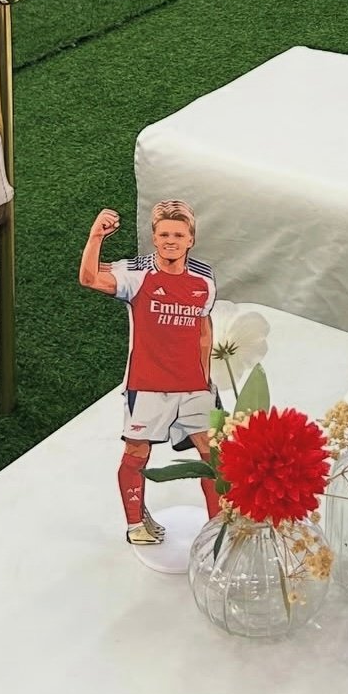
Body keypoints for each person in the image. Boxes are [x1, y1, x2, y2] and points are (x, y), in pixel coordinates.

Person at [79, 199, 220, 545]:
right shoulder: (136, 275)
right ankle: (135, 526)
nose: (171, 241)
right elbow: (89, 278)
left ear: (191, 239)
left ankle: (219, 527)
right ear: (154, 238)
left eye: (178, 235)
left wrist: (205, 379)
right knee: (136, 454)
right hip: (148, 386)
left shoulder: (204, 280)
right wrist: (96, 236)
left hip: (193, 387)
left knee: (216, 456)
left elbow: (204, 331)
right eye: (164, 234)